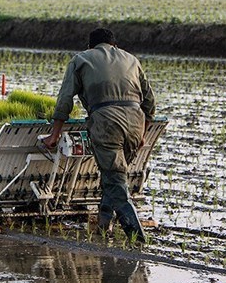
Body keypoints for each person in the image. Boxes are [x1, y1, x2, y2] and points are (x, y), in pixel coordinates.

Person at [42, 27, 155, 243]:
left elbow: (65, 99)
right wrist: (143, 133)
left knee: (116, 180)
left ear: (90, 46)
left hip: (107, 122)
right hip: (135, 121)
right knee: (112, 177)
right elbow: (150, 102)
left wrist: (54, 135)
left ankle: (138, 238)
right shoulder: (132, 59)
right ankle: (104, 225)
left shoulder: (81, 59)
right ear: (114, 45)